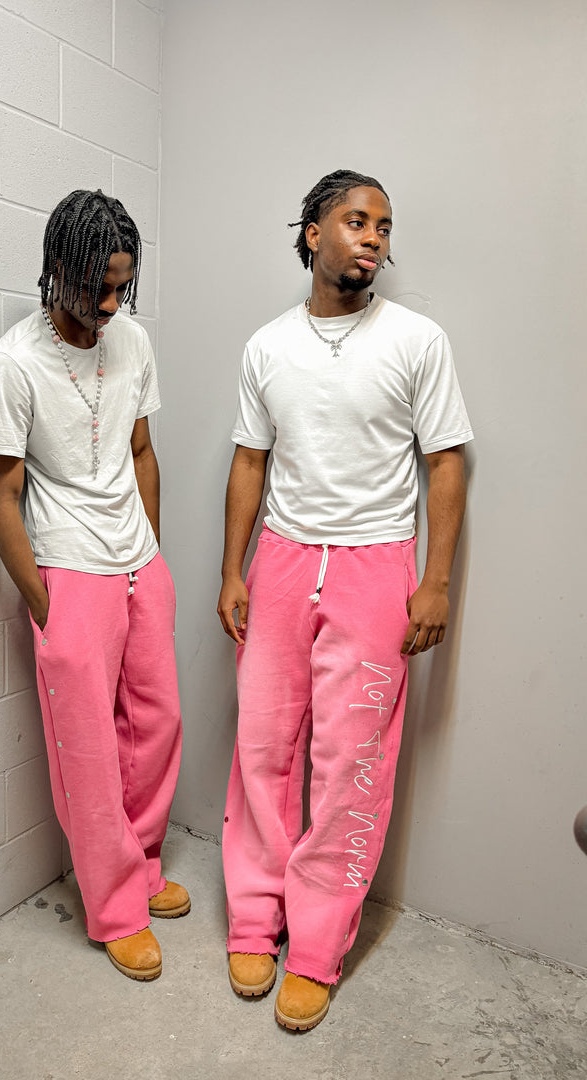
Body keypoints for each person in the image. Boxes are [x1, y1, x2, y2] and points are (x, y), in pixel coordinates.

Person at [217, 169, 473, 1030]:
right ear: (314, 231)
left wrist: (436, 581)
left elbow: (446, 461)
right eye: (357, 221)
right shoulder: (267, 346)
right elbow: (249, 459)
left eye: (384, 226)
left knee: (351, 764)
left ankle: (318, 947)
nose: (373, 238)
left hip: (375, 566)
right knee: (262, 746)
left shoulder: (417, 340)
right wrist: (233, 569)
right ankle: (254, 920)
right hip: (283, 562)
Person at [0, 189, 188, 982]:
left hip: (139, 564)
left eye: (121, 289)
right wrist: (44, 602)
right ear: (56, 270)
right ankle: (114, 908)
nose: (109, 306)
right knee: (90, 752)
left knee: (157, 725)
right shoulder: (14, 363)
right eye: (97, 288)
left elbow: (141, 451)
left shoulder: (131, 339)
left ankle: (144, 864)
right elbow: (0, 493)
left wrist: (153, 555)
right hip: (69, 569)